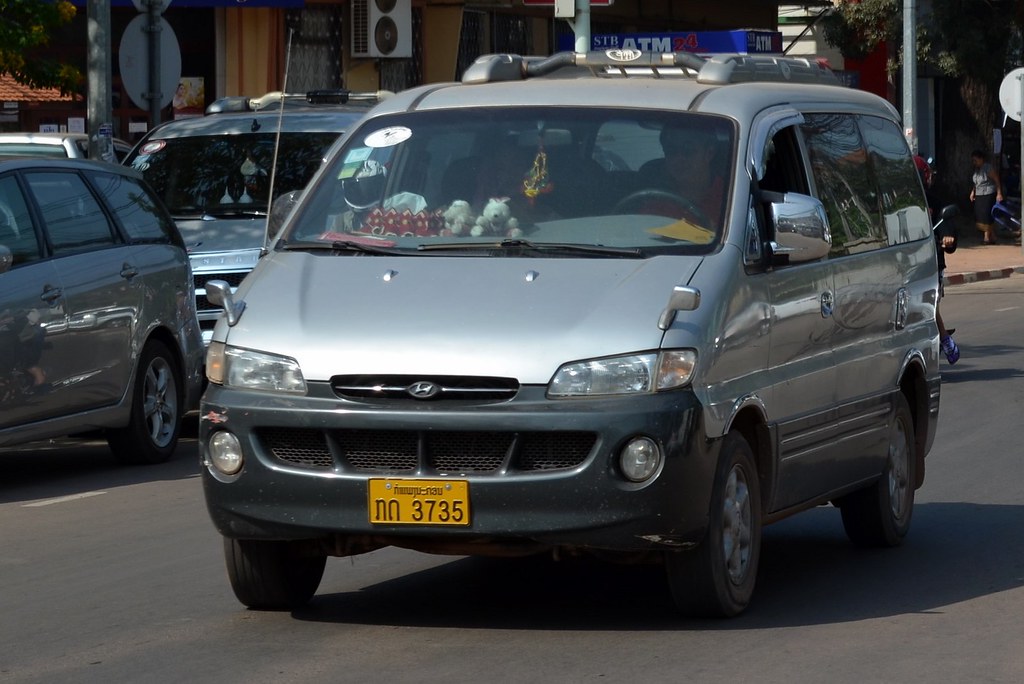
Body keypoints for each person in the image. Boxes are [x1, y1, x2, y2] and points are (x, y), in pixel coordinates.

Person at [637, 124, 726, 229]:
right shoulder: (655, 200)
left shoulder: (730, 198)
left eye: (687, 150)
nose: (678, 159)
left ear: (709, 153)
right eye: (671, 150)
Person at [916, 155, 959, 364]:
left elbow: (946, 224)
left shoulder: (935, 203)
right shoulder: (895, 203)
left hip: (932, 264)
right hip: (905, 264)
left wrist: (948, 238)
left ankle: (944, 338)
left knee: (929, 305)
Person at [969, 149, 1002, 245]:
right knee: (980, 215)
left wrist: (999, 193)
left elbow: (996, 180)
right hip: (979, 194)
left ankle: (986, 237)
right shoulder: (976, 170)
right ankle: (993, 236)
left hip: (989, 193)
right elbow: (976, 183)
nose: (974, 162)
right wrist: (973, 192)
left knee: (986, 215)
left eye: (976, 160)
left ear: (981, 159)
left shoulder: (988, 168)